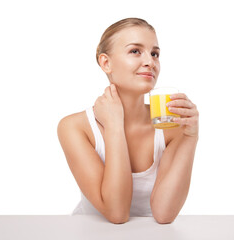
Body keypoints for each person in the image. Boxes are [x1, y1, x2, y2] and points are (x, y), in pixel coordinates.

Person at [57, 18, 199, 224]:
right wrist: (115, 126)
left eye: (154, 54)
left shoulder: (171, 127)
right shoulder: (74, 128)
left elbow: (164, 214)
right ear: (106, 63)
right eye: (135, 51)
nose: (150, 61)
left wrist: (190, 136)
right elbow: (116, 213)